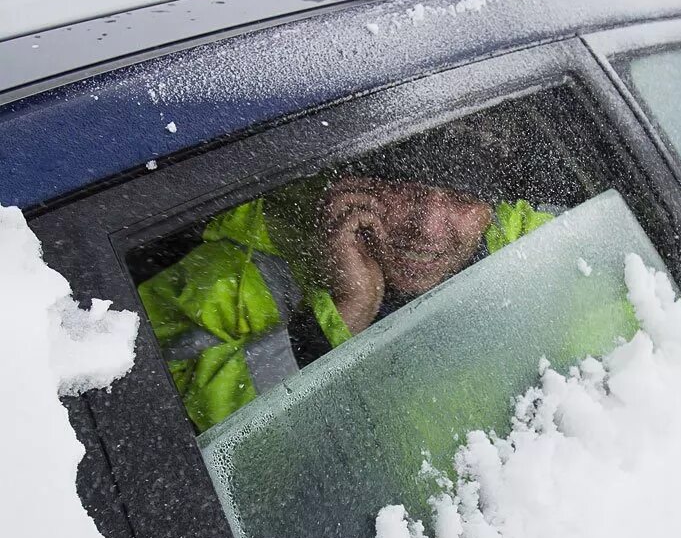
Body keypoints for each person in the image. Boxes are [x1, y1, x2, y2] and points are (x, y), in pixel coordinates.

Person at [137, 165, 553, 433]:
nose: (426, 228)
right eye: (404, 189)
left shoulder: (541, 250)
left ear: (489, 209)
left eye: (462, 198)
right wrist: (342, 313)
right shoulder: (226, 281)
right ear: (347, 187)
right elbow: (154, 434)